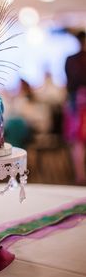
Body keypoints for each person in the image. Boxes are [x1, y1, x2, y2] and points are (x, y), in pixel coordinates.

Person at [65, 31, 86, 184]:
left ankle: (80, 176)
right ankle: (80, 176)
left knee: (77, 142)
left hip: (75, 104)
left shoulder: (70, 60)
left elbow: (69, 85)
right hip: (77, 104)